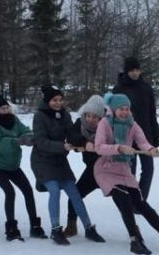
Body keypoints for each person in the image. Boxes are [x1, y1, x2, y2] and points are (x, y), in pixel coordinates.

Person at [93, 93, 159, 255]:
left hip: (124, 169)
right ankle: (135, 241)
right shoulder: (105, 123)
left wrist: (150, 150)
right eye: (121, 109)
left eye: (127, 109)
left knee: (142, 204)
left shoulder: (132, 124)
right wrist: (118, 148)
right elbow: (99, 147)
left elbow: (142, 141)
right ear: (113, 109)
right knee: (125, 201)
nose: (124, 112)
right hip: (106, 169)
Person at [31, 85, 105, 245]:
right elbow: (41, 142)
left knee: (75, 193)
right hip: (42, 160)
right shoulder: (39, 116)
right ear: (47, 101)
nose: (58, 103)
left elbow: (72, 133)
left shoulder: (65, 115)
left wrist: (80, 143)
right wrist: (63, 146)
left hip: (60, 160)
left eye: (60, 100)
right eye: (54, 100)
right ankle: (56, 230)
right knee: (55, 191)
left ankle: (89, 228)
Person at [0, 92, 46, 241]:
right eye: (2, 108)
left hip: (13, 165)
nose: (6, 110)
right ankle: (11, 229)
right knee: (10, 192)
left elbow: (25, 130)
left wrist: (30, 137)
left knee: (28, 191)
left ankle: (35, 227)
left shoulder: (14, 119)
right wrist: (17, 141)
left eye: (7, 107)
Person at [113, 56, 159, 200]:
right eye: (132, 70)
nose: (135, 73)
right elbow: (111, 115)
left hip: (145, 136)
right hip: (126, 136)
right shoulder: (119, 89)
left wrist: (156, 135)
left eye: (137, 70)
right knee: (130, 171)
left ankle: (141, 200)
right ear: (126, 71)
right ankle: (131, 200)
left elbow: (152, 113)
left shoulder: (146, 88)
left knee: (148, 169)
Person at [63, 94, 108, 239]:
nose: (90, 119)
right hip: (91, 171)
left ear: (101, 117)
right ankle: (71, 225)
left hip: (108, 170)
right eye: (88, 115)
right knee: (75, 195)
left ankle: (133, 229)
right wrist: (84, 143)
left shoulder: (108, 126)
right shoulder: (79, 123)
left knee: (123, 200)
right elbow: (71, 136)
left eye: (95, 117)